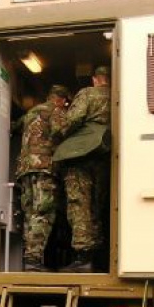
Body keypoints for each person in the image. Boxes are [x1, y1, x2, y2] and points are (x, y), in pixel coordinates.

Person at [54, 65, 111, 272]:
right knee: (96, 204)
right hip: (103, 155)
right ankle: (97, 257)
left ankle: (83, 257)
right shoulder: (119, 96)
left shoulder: (88, 93)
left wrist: (58, 132)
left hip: (80, 155)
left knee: (79, 204)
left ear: (95, 79)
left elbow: (73, 119)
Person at [15, 84, 70, 271]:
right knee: (43, 212)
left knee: (30, 214)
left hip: (25, 169)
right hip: (44, 168)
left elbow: (15, 127)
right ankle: (33, 259)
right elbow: (62, 132)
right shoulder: (56, 111)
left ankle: (28, 259)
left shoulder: (30, 113)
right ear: (61, 100)